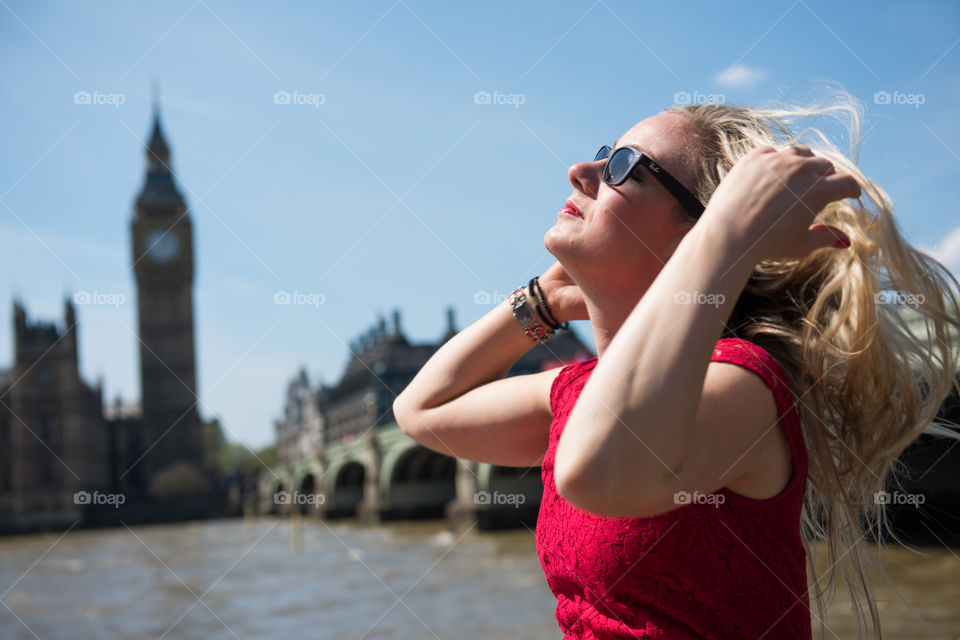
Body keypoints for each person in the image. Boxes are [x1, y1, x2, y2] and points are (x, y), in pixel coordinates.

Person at [392, 88, 960, 639]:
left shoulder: (739, 386)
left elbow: (598, 472)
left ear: (700, 231)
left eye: (623, 167)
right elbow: (421, 409)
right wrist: (542, 302)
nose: (580, 173)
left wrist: (729, 239)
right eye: (600, 153)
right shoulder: (577, 390)